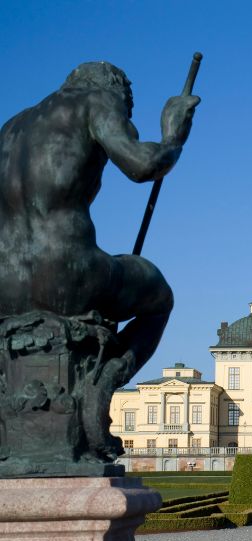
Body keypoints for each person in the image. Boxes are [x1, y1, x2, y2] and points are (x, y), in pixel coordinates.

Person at [0, 61, 200, 391]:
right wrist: (172, 138)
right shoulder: (98, 100)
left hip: (5, 287)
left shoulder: (11, 127)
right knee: (159, 297)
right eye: (126, 115)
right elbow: (144, 164)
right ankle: (106, 382)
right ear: (118, 94)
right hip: (67, 275)